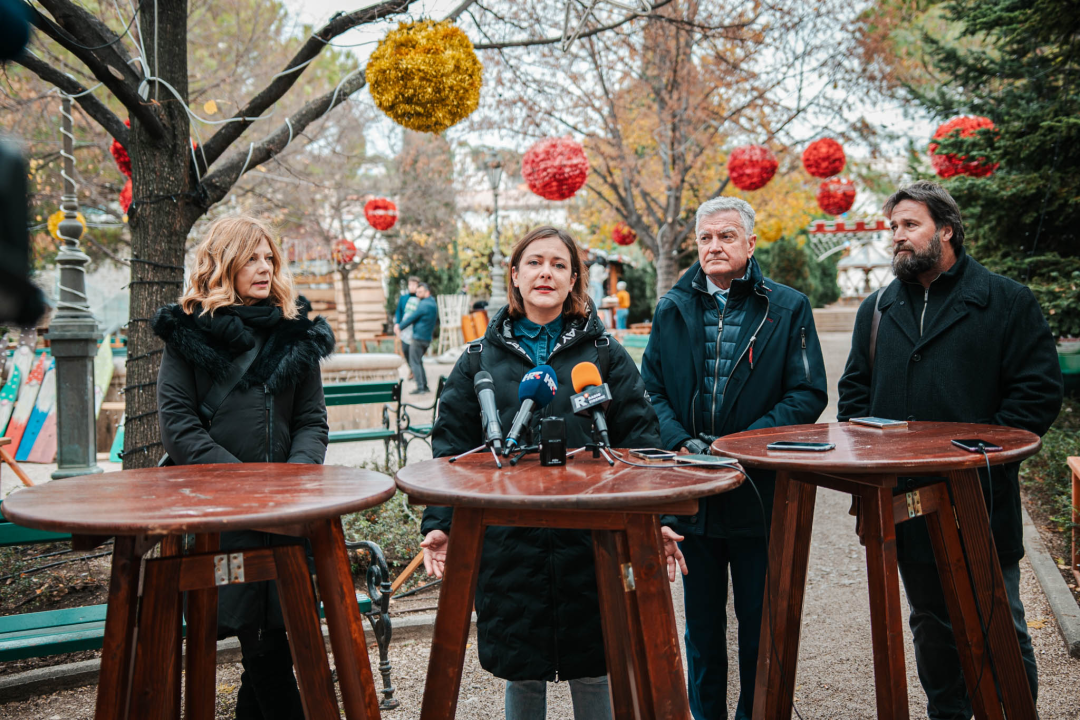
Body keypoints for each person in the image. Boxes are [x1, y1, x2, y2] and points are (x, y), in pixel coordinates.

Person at [420, 226, 673, 720]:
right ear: (514, 275)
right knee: (524, 672)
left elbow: (643, 441)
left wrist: (658, 517)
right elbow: (449, 451)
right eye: (534, 262)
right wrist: (440, 523)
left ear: (574, 278)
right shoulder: (476, 360)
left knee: (597, 664)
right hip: (509, 543)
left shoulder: (603, 354)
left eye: (559, 264)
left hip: (592, 539)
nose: (545, 273)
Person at [837, 181, 1063, 719]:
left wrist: (974, 455)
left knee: (997, 619)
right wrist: (876, 456)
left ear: (947, 230)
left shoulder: (1006, 301)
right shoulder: (878, 308)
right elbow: (852, 396)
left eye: (909, 225)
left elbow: (1036, 395)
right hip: (906, 501)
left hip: (980, 497)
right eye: (893, 227)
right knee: (930, 624)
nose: (898, 237)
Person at [641, 196, 829, 720]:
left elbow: (807, 393)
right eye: (705, 238)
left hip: (757, 490)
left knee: (759, 621)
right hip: (691, 490)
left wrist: (739, 444)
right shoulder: (672, 305)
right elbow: (649, 390)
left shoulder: (788, 307)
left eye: (726, 236)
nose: (714, 246)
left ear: (750, 242)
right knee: (699, 627)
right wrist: (680, 440)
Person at [152, 215, 334, 720]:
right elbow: (180, 428)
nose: (264, 267)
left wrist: (293, 482)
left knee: (276, 632)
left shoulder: (297, 335)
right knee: (261, 638)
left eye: (269, 257)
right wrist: (248, 487)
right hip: (221, 513)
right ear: (224, 262)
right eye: (251, 257)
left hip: (286, 509)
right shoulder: (187, 332)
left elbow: (312, 421)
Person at [398, 282, 437, 394]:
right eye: (417, 292)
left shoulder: (424, 304)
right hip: (426, 338)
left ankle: (420, 387)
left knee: (414, 361)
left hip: (419, 338)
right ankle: (424, 386)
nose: (417, 294)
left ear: (427, 292)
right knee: (418, 361)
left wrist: (400, 327)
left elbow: (412, 318)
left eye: (420, 292)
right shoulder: (432, 302)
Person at [394, 276, 420, 370]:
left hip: (415, 329)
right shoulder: (403, 298)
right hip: (404, 329)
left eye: (414, 285)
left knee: (414, 351)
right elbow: (398, 312)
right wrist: (397, 324)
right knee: (405, 350)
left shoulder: (420, 298)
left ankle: (414, 370)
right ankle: (411, 369)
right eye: (410, 284)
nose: (412, 287)